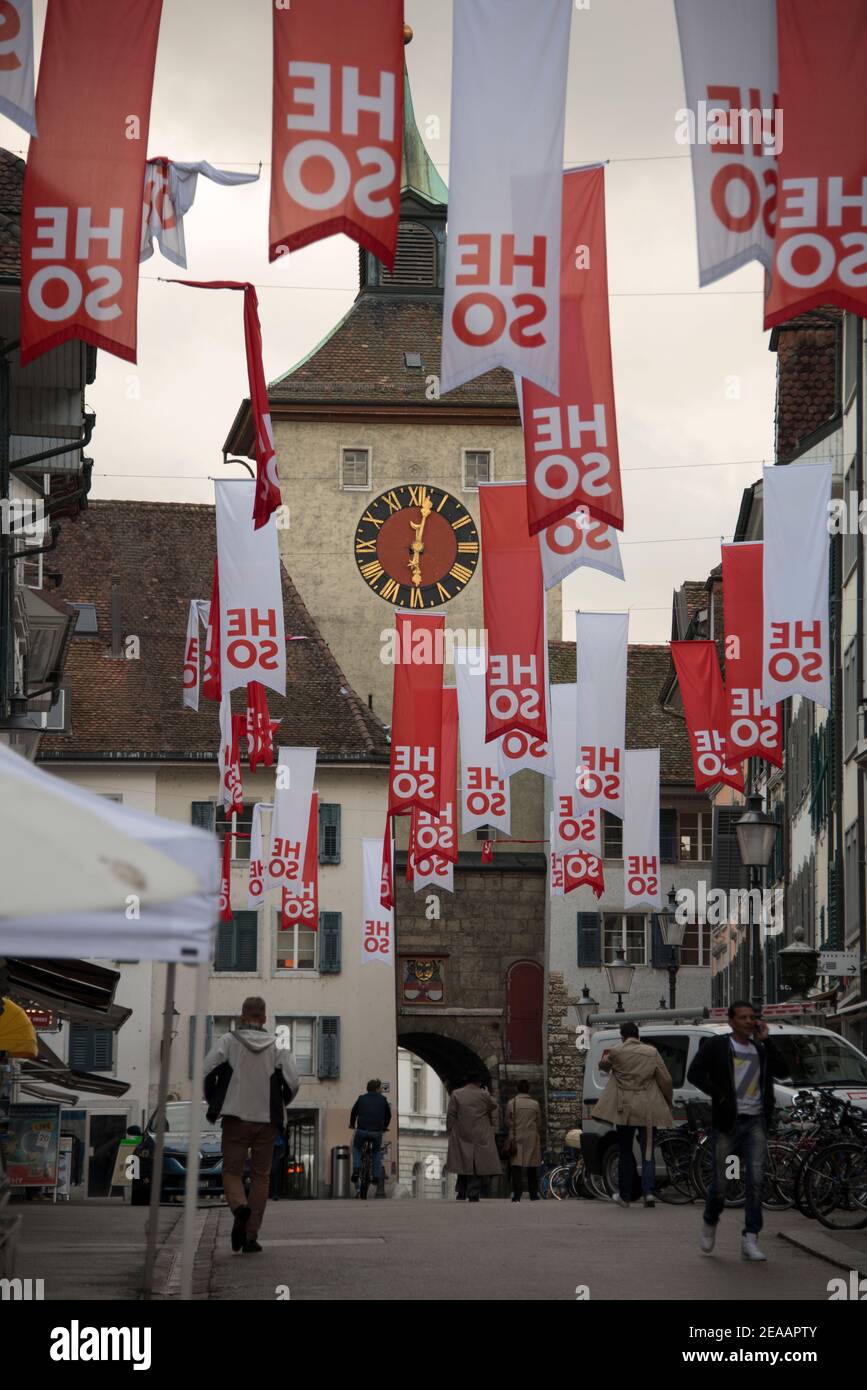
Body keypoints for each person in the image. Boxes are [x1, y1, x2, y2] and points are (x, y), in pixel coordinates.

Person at [688, 1000, 787, 1262]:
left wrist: (768, 1041)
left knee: (756, 1180)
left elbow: (783, 1071)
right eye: (742, 1017)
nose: (748, 1021)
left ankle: (750, 1238)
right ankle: (710, 1221)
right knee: (722, 1182)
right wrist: (719, 1096)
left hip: (755, 1123)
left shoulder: (759, 1049)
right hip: (728, 1125)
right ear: (731, 1021)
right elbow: (694, 1073)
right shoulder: (718, 1046)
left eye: (752, 1017)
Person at [202, 996, 299, 1254]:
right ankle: (250, 1236)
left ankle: (238, 1207)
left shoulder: (228, 1042)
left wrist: (216, 1101)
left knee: (231, 1172)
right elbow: (292, 1082)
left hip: (235, 1118)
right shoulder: (278, 1047)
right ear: (265, 1018)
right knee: (261, 1177)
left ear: (242, 1016)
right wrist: (280, 1103)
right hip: (267, 1122)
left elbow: (207, 1070)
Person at [593, 1020, 674, 1208]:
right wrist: (668, 1100)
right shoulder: (651, 1052)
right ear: (638, 1035)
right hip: (647, 1107)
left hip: (625, 1108)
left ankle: (625, 1195)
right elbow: (666, 1079)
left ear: (622, 1036)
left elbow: (603, 1065)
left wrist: (610, 1064)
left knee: (625, 1151)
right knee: (648, 1151)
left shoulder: (616, 1051)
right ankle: (649, 1193)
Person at [446, 1072, 502, 1202]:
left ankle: (461, 1191)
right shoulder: (483, 1095)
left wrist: (450, 1129)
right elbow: (494, 1104)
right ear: (478, 1082)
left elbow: (451, 1114)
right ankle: (473, 1192)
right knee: (476, 1164)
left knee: (463, 1161)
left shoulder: (457, 1094)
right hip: (480, 1131)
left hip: (461, 1131)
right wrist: (486, 1091)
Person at [349, 1079, 391, 1191]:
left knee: (356, 1148)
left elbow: (354, 1112)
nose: (382, 1090)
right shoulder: (383, 1100)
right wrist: (385, 1126)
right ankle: (376, 1177)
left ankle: (357, 1169)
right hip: (377, 1132)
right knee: (376, 1151)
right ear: (377, 1089)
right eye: (381, 1088)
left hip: (362, 1130)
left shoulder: (361, 1098)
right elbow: (388, 1115)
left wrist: (352, 1124)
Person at [505, 1080, 542, 1202]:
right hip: (531, 1137)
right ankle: (533, 1194)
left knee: (516, 1166)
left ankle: (517, 1194)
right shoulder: (535, 1104)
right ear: (529, 1089)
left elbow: (507, 1121)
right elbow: (539, 1122)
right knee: (532, 1166)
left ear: (517, 1089)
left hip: (516, 1137)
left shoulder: (512, 1103)